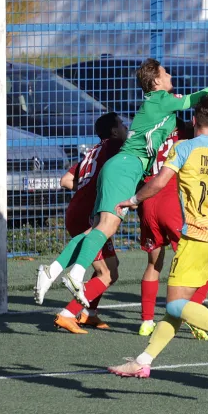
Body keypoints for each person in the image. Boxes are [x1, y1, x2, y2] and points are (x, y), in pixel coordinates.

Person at [35, 58, 208, 306]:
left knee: (96, 230)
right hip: (126, 166)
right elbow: (192, 100)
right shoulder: (160, 99)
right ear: (156, 81)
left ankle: (53, 270)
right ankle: (76, 273)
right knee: (106, 227)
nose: (170, 77)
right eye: (166, 73)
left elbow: (184, 122)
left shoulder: (160, 109)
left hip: (122, 167)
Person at [107, 96, 208, 379]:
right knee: (176, 310)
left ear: (194, 120)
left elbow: (158, 182)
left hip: (196, 238)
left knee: (175, 305)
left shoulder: (184, 148)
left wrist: (132, 199)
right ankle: (144, 361)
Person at [137, 117, 208, 340]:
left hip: (148, 198)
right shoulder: (189, 136)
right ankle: (193, 315)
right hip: (171, 198)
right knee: (203, 263)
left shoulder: (147, 132)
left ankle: (146, 321)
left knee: (153, 263)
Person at [53, 113, 127, 334]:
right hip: (89, 215)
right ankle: (68, 314)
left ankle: (89, 313)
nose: (125, 128)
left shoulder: (91, 152)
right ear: (114, 132)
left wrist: (87, 186)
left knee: (111, 268)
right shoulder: (114, 145)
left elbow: (65, 180)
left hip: (79, 209)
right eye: (122, 125)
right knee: (107, 273)